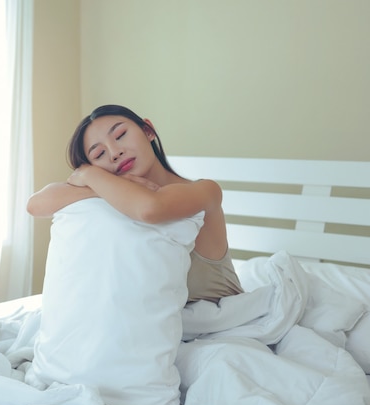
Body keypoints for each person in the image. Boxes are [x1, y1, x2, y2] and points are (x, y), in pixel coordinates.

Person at [27, 104, 243, 303]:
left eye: (120, 135)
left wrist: (88, 174)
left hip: (220, 322)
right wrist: (94, 182)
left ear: (148, 131)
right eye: (99, 153)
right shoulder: (115, 199)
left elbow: (151, 209)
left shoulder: (205, 191)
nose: (115, 153)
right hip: (155, 327)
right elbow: (36, 205)